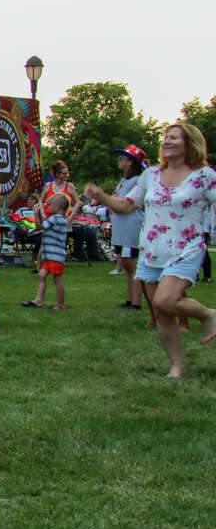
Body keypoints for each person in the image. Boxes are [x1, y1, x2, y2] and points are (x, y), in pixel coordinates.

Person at [85, 123, 216, 377]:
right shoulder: (152, 174)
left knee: (165, 299)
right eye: (165, 137)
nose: (166, 141)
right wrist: (102, 197)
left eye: (174, 138)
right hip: (151, 250)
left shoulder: (204, 176)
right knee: (162, 312)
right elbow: (127, 205)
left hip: (186, 247)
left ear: (189, 143)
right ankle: (177, 367)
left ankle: (209, 314)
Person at [108, 145, 148, 310]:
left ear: (131, 162)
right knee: (125, 263)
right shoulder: (125, 180)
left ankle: (136, 302)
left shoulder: (136, 181)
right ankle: (130, 299)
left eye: (122, 158)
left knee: (132, 264)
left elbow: (121, 201)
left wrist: (105, 199)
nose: (119, 161)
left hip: (131, 228)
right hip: (121, 228)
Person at [22, 194, 70, 309]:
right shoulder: (60, 219)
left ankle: (61, 304)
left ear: (57, 207)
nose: (49, 207)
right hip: (51, 255)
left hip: (55, 255)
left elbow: (39, 227)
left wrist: (35, 213)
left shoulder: (55, 219)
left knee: (57, 279)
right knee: (42, 275)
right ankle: (38, 300)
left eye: (50, 205)